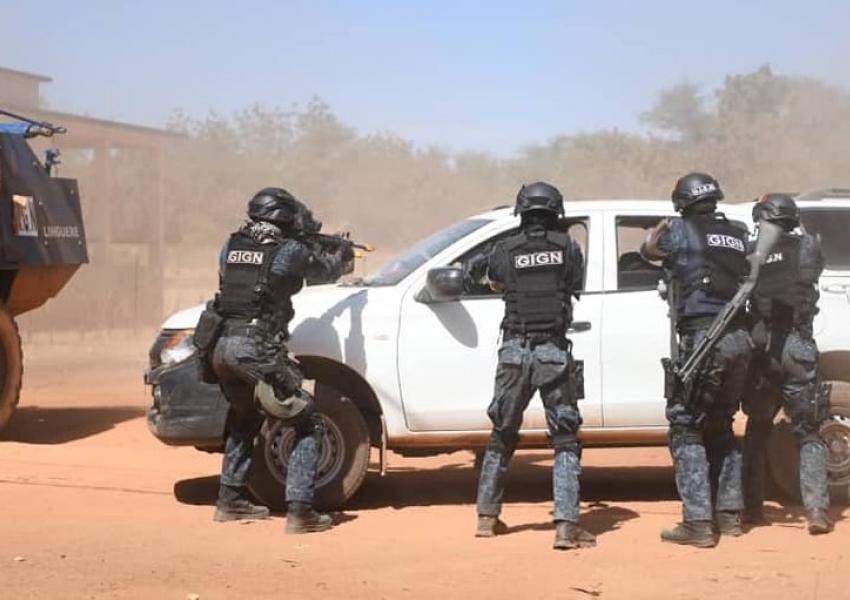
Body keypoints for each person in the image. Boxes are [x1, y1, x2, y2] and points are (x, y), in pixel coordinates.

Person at [203, 187, 353, 533]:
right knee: (308, 419)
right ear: (284, 218)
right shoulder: (289, 250)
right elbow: (324, 271)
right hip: (254, 349)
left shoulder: (232, 245)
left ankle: (230, 500)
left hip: (220, 345)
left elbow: (265, 276)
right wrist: (341, 253)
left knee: (244, 417)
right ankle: (301, 512)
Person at [474, 181, 594, 550]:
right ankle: (566, 527)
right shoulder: (568, 248)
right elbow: (575, 284)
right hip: (553, 354)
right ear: (555, 212)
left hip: (513, 352)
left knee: (501, 434)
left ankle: (486, 518)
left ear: (522, 213)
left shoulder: (504, 250)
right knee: (564, 439)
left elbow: (490, 278)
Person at [641, 172, 752, 548]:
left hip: (704, 338)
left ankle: (698, 524)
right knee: (721, 424)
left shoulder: (681, 233)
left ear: (682, 202)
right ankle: (730, 516)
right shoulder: (737, 233)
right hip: (739, 337)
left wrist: (659, 230)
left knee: (686, 426)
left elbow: (648, 250)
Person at [742, 193, 833, 534]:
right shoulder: (806, 247)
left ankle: (751, 509)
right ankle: (817, 512)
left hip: (764, 348)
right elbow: (812, 270)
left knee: (756, 431)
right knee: (808, 433)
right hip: (797, 347)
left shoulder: (752, 253)